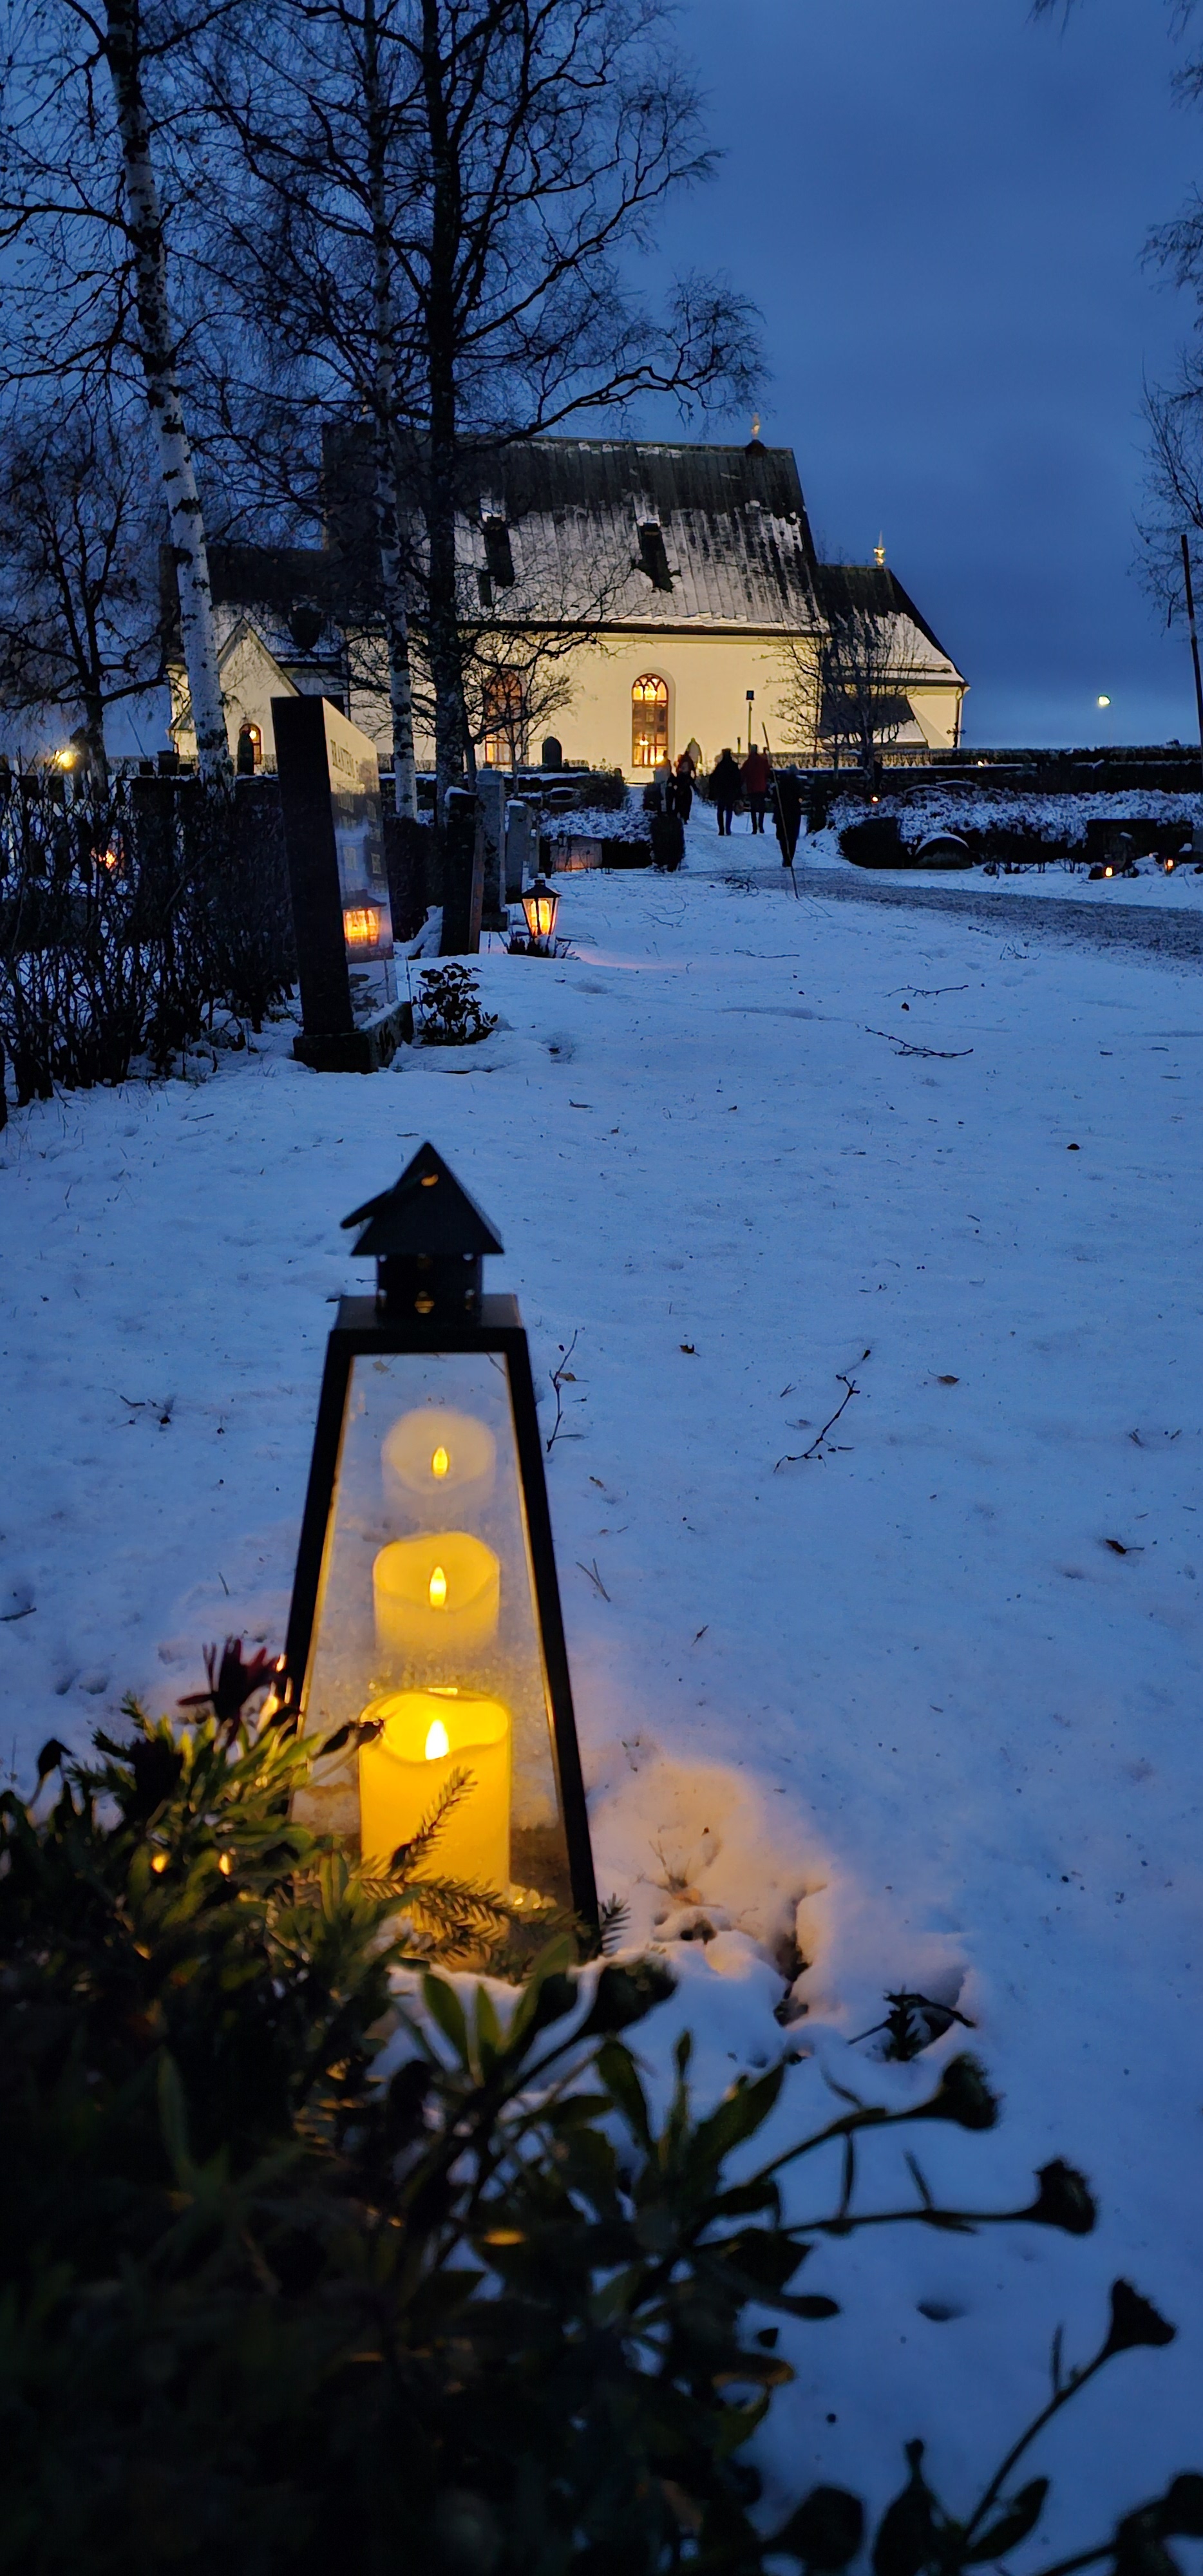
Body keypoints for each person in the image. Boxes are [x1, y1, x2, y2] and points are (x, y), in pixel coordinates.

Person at [773, 766, 802, 866]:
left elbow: (775, 798)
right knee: (792, 837)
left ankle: (785, 857)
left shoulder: (781, 784)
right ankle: (790, 859)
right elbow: (801, 798)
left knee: (783, 836)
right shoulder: (798, 784)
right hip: (794, 814)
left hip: (782, 813)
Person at [741, 743, 772, 833]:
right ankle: (761, 826)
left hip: (752, 788)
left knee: (753, 809)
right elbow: (768, 772)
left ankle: (754, 828)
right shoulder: (762, 761)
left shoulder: (748, 762)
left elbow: (743, 774)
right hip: (761, 787)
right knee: (761, 808)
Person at [710, 747, 741, 837]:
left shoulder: (720, 766)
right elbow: (738, 779)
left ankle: (721, 830)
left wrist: (714, 790)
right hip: (730, 791)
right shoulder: (734, 766)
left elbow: (713, 778)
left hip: (721, 791)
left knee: (720, 810)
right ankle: (728, 828)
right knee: (729, 810)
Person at [674, 748, 696, 824]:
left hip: (680, 788)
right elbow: (693, 769)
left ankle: (678, 814)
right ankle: (685, 817)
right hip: (687, 788)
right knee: (687, 803)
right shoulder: (689, 761)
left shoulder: (681, 762)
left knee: (679, 802)